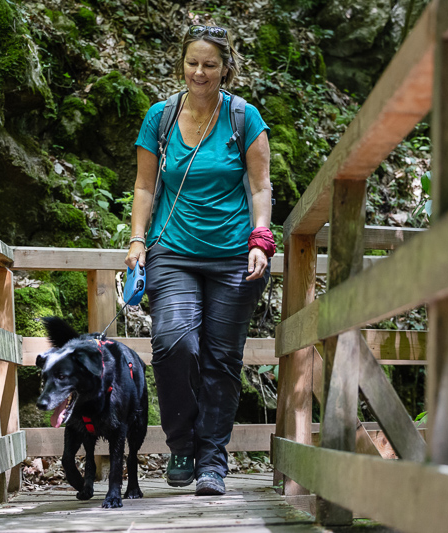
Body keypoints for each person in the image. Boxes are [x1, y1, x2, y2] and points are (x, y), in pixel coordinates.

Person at [124, 24, 275, 497]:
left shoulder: (244, 117)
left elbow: (259, 186)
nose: (200, 72)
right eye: (193, 62)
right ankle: (182, 445)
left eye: (210, 64)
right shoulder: (160, 117)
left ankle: (212, 462)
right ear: (181, 64)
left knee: (222, 359)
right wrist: (136, 238)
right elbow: (146, 186)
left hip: (233, 256)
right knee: (174, 344)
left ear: (225, 68)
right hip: (173, 253)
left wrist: (260, 237)